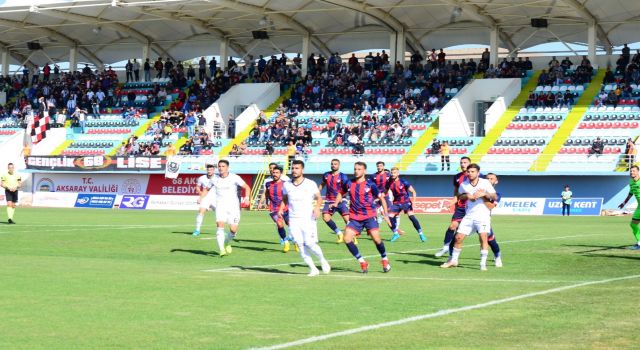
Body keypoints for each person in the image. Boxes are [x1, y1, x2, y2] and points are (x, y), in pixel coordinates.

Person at [333, 162, 391, 273]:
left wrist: (386, 214)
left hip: (369, 216)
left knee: (376, 239)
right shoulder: (349, 183)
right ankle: (362, 262)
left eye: (359, 169)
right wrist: (336, 203)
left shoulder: (370, 184)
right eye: (355, 169)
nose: (356, 171)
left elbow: (382, 199)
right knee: (347, 239)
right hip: (355, 217)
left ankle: (385, 259)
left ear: (364, 171)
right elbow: (341, 193)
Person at [279, 160, 331, 276]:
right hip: (293, 219)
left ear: (302, 170)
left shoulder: (310, 183)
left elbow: (319, 198)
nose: (294, 170)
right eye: (293, 168)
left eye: (297, 168)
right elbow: (285, 198)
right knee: (300, 244)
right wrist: (280, 209)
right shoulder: (287, 184)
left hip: (308, 218)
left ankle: (322, 260)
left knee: (310, 243)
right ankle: (313, 269)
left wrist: (317, 208)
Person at [441, 163, 497, 270]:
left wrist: (485, 194)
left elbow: (494, 195)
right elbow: (460, 196)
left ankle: (482, 264)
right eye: (469, 171)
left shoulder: (485, 182)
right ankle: (454, 261)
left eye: (473, 172)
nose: (470, 173)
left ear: (478, 173)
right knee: (458, 237)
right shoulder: (464, 184)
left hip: (483, 215)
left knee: (483, 238)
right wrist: (467, 196)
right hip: (469, 215)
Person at [210, 159, 251, 256]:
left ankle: (226, 242)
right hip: (220, 207)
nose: (221, 168)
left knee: (233, 230)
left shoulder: (234, 177)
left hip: (233, 207)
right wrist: (202, 198)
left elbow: (247, 187)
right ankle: (221, 250)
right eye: (219, 166)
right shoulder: (214, 178)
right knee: (220, 227)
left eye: (223, 166)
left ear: (228, 167)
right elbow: (206, 189)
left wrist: (247, 198)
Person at [435, 156, 471, 257]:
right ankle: (446, 248)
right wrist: (451, 203)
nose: (463, 164)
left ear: (469, 164)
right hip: (461, 207)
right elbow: (456, 193)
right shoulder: (457, 176)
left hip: (473, 209)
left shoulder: (478, 176)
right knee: (452, 226)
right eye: (461, 162)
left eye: (465, 162)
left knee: (485, 235)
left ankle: (496, 254)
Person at [258, 165, 295, 253]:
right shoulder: (268, 184)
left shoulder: (286, 183)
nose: (274, 174)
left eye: (277, 173)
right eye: (273, 172)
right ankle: (285, 242)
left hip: (286, 208)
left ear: (280, 174)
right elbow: (265, 194)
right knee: (279, 223)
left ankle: (295, 241)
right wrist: (261, 202)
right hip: (273, 209)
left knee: (290, 225)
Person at [385, 167, 426, 242]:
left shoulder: (403, 182)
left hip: (406, 202)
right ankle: (395, 233)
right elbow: (385, 192)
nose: (393, 174)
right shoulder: (389, 182)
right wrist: (380, 197)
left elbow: (413, 192)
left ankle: (421, 234)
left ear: (398, 173)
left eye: (394, 173)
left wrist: (413, 202)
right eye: (392, 172)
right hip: (396, 202)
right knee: (389, 217)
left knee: (412, 217)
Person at [317, 159, 350, 243]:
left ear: (339, 165)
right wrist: (317, 192)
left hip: (341, 201)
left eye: (335, 164)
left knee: (347, 220)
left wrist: (341, 198)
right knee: (325, 217)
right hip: (329, 200)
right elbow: (322, 184)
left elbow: (346, 188)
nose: (333, 165)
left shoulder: (343, 176)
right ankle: (339, 233)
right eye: (332, 164)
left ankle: (351, 236)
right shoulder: (326, 175)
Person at [618, 165, 640, 250]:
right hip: (639, 206)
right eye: (631, 171)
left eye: (634, 171)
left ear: (638, 172)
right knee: (633, 224)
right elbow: (630, 194)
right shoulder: (631, 182)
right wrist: (624, 203)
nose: (632, 172)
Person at [192, 163, 217, 236]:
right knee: (201, 212)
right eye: (208, 169)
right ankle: (197, 230)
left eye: (211, 169)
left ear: (214, 170)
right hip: (205, 198)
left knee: (219, 214)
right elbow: (197, 187)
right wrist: (201, 194)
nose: (209, 171)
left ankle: (220, 230)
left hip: (215, 198)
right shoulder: (201, 178)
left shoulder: (217, 178)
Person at [484, 173, 503, 267]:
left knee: (490, 240)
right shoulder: (476, 189)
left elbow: (491, 206)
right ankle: (452, 258)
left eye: (491, 179)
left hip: (483, 219)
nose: (489, 180)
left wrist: (482, 196)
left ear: (496, 181)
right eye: (487, 178)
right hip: (469, 217)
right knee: (458, 236)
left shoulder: (497, 195)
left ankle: (498, 256)